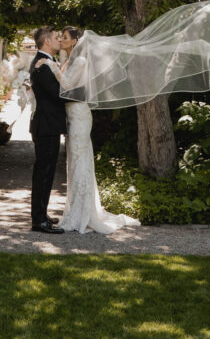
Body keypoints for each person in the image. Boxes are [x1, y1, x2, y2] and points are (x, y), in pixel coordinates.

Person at [37, 26, 140, 235]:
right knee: (74, 163)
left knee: (79, 161)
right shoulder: (68, 61)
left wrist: (50, 64)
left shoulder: (81, 62)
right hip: (71, 116)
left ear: (74, 41)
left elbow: (65, 84)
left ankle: (83, 214)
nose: (61, 40)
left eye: (64, 38)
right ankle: (76, 210)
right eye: (60, 37)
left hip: (80, 116)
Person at [29, 25, 67, 234]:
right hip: (46, 126)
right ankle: (38, 221)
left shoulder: (47, 63)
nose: (59, 40)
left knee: (47, 172)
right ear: (47, 42)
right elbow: (57, 93)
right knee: (43, 173)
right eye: (56, 37)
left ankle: (42, 214)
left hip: (49, 125)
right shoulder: (41, 65)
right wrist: (82, 95)